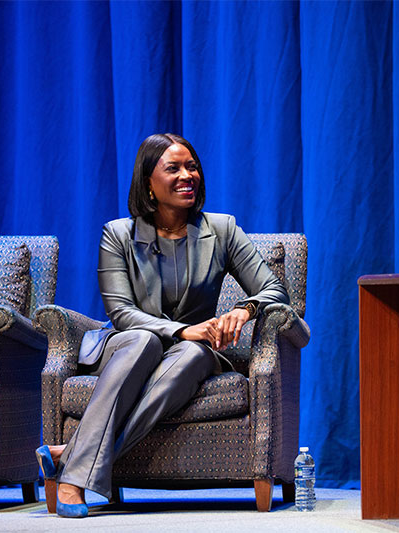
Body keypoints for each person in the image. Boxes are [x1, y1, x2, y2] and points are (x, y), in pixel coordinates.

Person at [35, 133, 289, 518]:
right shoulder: (117, 235)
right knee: (143, 341)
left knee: (192, 353)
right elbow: (121, 311)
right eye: (173, 168)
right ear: (148, 184)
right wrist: (183, 330)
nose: (188, 175)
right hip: (128, 345)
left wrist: (246, 309)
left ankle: (71, 462)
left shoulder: (222, 229)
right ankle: (75, 475)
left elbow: (274, 288)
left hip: (193, 352)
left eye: (192, 167)